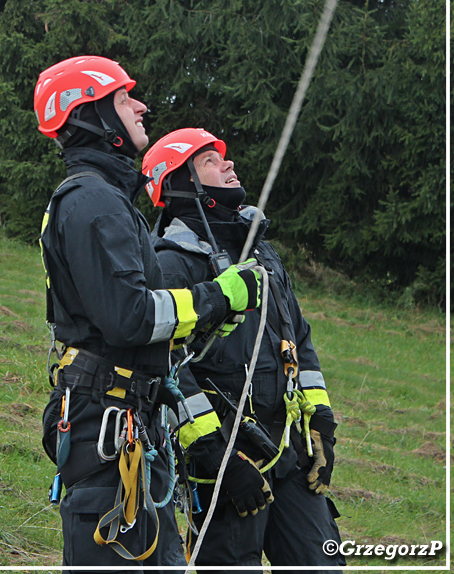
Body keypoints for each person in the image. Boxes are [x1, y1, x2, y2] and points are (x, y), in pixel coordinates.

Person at [34, 57, 261, 570]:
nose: (140, 106)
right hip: (108, 427)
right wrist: (217, 296)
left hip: (130, 422)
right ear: (90, 115)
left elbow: (137, 325)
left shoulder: (107, 199)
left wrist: (201, 323)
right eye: (122, 99)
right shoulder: (93, 200)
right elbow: (129, 317)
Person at [143, 127, 344, 572]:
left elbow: (300, 338)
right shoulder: (170, 262)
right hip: (226, 462)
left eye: (223, 157)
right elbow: (166, 367)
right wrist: (216, 457)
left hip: (290, 453)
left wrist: (321, 420)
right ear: (181, 185)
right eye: (209, 161)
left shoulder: (264, 254)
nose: (229, 163)